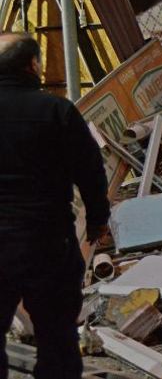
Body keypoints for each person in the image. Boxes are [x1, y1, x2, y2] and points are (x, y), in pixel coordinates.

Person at [0, 33, 110, 379]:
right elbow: (91, 170)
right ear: (33, 65)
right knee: (58, 341)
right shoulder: (57, 111)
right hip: (46, 243)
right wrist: (97, 220)